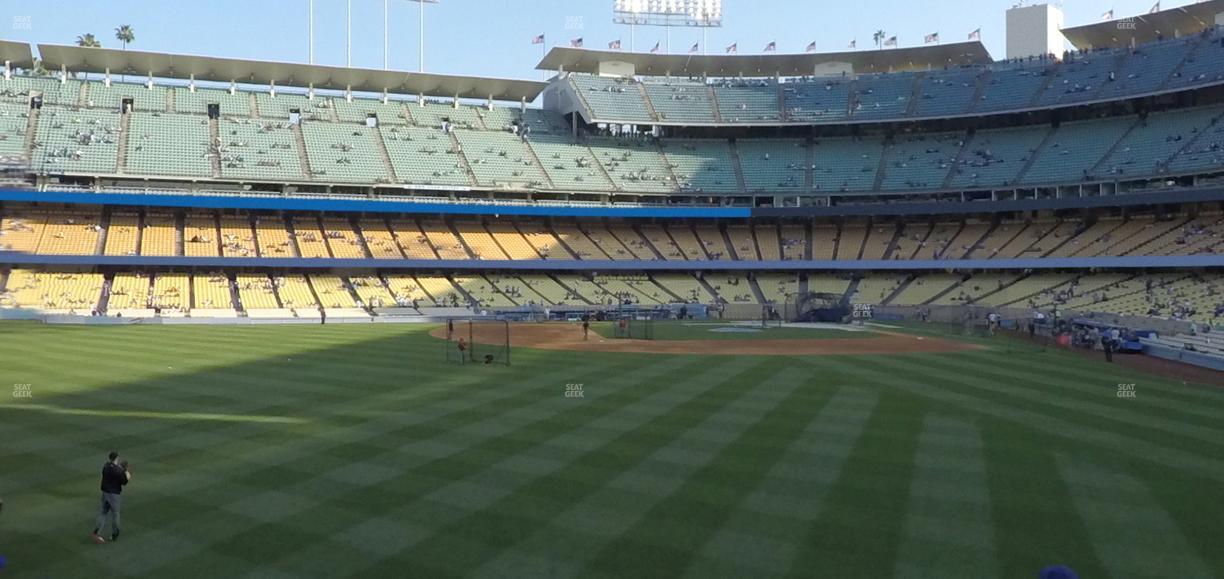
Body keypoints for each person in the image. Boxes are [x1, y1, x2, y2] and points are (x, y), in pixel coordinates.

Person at [91, 451, 131, 544]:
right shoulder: (119, 470)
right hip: (114, 495)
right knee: (116, 514)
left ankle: (96, 532)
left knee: (103, 513)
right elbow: (124, 482)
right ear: (116, 458)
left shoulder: (105, 466)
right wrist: (127, 473)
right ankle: (115, 534)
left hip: (105, 493)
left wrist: (122, 470)